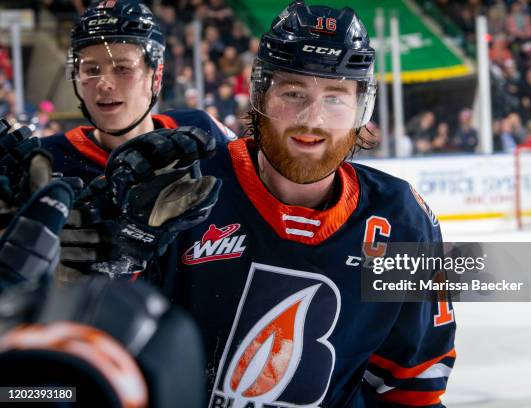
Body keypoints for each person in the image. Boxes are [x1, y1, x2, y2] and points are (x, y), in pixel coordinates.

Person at [5, 1, 456, 406]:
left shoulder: (403, 221)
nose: (312, 120)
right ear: (260, 95)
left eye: (335, 97)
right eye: (293, 93)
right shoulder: (180, 186)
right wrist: (90, 278)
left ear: (363, 109)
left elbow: (412, 386)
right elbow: (83, 370)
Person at [39, 0, 233, 186]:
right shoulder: (45, 160)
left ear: (155, 77)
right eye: (92, 70)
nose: (104, 84)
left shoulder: (200, 130)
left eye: (122, 69)